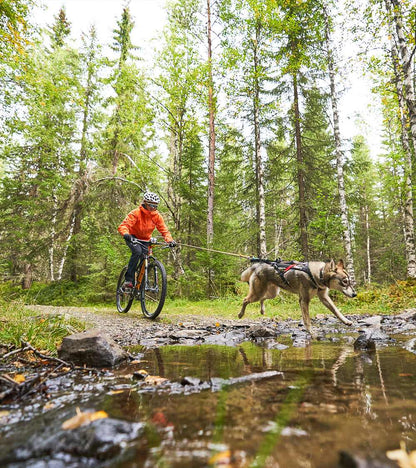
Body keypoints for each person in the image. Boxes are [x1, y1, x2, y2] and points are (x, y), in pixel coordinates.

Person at [118, 191, 176, 289]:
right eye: (151, 205)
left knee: (146, 259)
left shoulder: (157, 216)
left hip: (145, 240)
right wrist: (126, 234)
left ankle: (142, 283)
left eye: (155, 206)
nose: (153, 208)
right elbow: (124, 225)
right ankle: (129, 280)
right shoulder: (136, 213)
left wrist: (170, 240)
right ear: (145, 202)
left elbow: (164, 230)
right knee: (137, 251)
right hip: (133, 237)